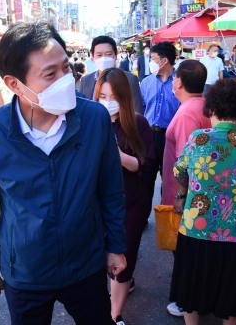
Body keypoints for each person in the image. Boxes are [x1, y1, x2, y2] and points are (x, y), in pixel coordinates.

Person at [0, 20, 127, 325]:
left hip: (86, 264)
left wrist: (116, 246)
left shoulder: (94, 120)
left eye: (66, 68)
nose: (64, 79)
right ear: (14, 84)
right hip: (26, 272)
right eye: (49, 74)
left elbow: (110, 190)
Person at [170, 78, 236, 325]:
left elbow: (179, 171)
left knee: (193, 285)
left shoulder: (199, 138)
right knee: (230, 288)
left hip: (197, 226)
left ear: (212, 109)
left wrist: (186, 191)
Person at [93, 68, 155, 325]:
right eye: (102, 96)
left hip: (131, 201)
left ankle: (114, 314)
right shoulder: (90, 122)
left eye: (113, 96)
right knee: (98, 255)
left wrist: (119, 156)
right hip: (95, 203)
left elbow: (149, 166)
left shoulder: (138, 123)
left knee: (124, 255)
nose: (107, 102)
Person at [161, 60, 212, 317]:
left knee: (185, 250)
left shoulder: (186, 114)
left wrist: (181, 196)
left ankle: (187, 300)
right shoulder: (204, 107)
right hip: (202, 194)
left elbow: (186, 162)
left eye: (173, 79)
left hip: (187, 194)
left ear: (179, 82)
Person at [140, 41, 181, 204]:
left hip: (170, 136)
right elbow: (141, 109)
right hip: (148, 135)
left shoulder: (180, 82)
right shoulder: (146, 82)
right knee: (145, 178)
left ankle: (168, 216)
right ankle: (142, 217)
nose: (151, 62)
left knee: (170, 178)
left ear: (165, 61)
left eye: (153, 58)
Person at [78, 36, 144, 114]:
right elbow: (81, 110)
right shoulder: (85, 81)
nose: (104, 58)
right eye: (99, 55)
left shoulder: (130, 79)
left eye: (108, 54)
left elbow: (137, 111)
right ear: (92, 57)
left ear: (115, 55)